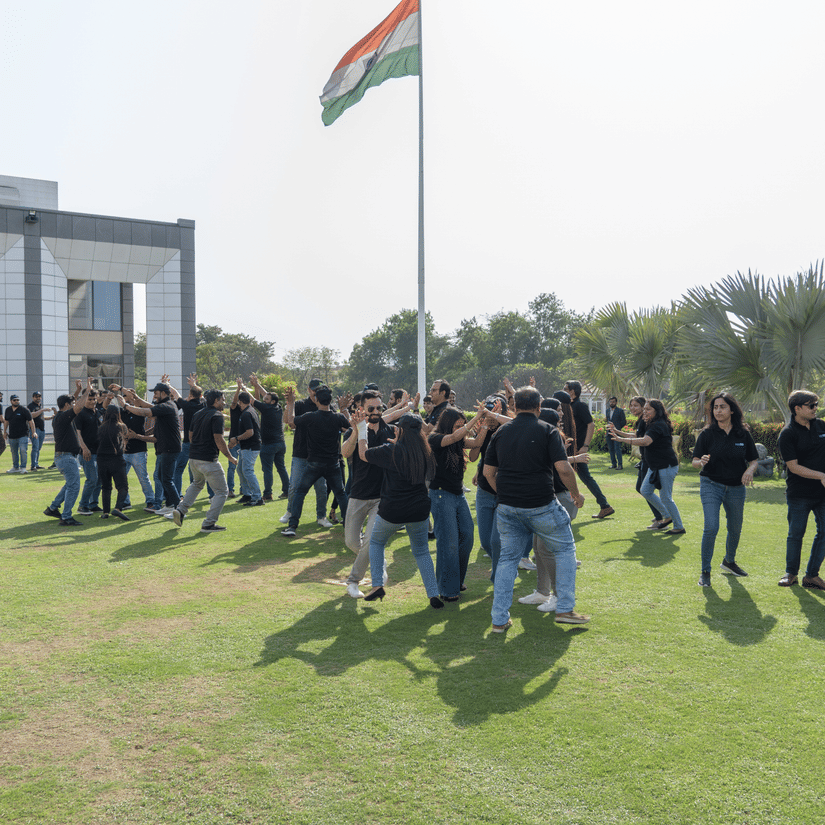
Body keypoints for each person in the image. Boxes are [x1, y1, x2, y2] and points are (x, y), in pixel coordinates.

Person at [483, 386, 589, 629]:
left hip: (508, 507)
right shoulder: (547, 430)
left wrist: (505, 493)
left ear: (516, 406)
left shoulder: (501, 432)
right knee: (565, 551)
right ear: (539, 408)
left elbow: (489, 472)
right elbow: (563, 468)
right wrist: (576, 494)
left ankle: (499, 619)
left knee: (508, 560)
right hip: (541, 504)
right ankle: (565, 608)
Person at [354, 411, 444, 609]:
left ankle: (377, 584)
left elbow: (363, 454)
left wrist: (361, 429)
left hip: (392, 509)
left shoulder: (391, 451)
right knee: (422, 552)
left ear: (399, 430)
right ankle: (433, 593)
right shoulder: (426, 451)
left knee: (377, 543)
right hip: (419, 510)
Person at [691, 392, 759, 587]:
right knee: (711, 527)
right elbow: (695, 460)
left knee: (735, 529)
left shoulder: (743, 433)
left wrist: (750, 470)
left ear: (731, 409)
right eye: (715, 407)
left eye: (722, 407)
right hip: (711, 484)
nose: (718, 410)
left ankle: (729, 561)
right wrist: (700, 461)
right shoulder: (707, 434)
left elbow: (754, 459)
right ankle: (705, 571)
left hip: (737, 488)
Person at [340, 389, 394, 598]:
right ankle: (378, 559)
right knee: (352, 542)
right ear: (360, 409)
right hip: (358, 494)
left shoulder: (390, 431)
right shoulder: (352, 431)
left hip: (381, 497)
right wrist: (356, 429)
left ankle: (353, 580)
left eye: (379, 407)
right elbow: (344, 453)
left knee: (371, 540)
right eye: (371, 408)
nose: (376, 411)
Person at [281, 385, 350, 536]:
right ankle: (349, 525)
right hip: (333, 464)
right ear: (330, 400)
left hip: (314, 464)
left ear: (317, 400)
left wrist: (291, 402)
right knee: (340, 493)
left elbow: (291, 421)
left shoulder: (310, 416)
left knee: (300, 493)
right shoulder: (337, 417)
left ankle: (292, 526)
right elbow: (350, 426)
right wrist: (344, 408)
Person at [166, 389, 238, 533]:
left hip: (194, 458)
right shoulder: (217, 416)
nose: (224, 402)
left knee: (197, 484)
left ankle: (180, 510)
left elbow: (190, 435)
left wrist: (198, 448)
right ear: (216, 401)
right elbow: (219, 439)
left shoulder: (198, 414)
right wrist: (230, 457)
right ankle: (208, 524)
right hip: (208, 460)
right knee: (222, 491)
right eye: (223, 399)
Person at [611, 399, 685, 535]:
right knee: (645, 490)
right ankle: (666, 515)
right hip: (655, 466)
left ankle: (678, 526)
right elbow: (638, 436)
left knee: (666, 497)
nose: (644, 412)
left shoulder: (659, 425)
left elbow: (646, 441)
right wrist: (618, 433)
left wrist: (622, 440)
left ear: (657, 411)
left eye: (648, 409)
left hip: (666, 465)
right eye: (644, 409)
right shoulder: (650, 424)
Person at [428, 406, 480, 601]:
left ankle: (455, 581)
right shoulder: (435, 438)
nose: (461, 428)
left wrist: (485, 426)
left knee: (467, 537)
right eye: (458, 425)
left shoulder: (459, 439)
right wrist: (475, 419)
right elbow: (453, 438)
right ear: (448, 424)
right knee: (448, 543)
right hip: (441, 496)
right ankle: (448, 589)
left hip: (458, 495)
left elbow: (477, 442)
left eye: (462, 424)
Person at [777, 390, 825, 589]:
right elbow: (793, 466)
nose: (815, 408)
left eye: (816, 404)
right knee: (796, 534)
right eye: (811, 405)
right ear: (797, 408)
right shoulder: (787, 434)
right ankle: (791, 574)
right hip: (799, 494)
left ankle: (812, 576)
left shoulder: (821, 425)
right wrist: (821, 476)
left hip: (823, 494)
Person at [121, 380, 182, 514]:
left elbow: (145, 412)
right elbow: (146, 404)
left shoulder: (167, 406)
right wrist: (127, 392)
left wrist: (126, 406)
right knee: (161, 477)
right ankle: (170, 505)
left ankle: (179, 509)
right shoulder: (163, 406)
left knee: (166, 479)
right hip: (165, 448)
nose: (154, 395)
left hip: (170, 448)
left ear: (164, 393)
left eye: (156, 393)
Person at [281, 379, 330, 527]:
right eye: (314, 389)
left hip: (320, 455)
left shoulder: (327, 405)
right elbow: (288, 421)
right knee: (294, 486)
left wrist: (319, 405)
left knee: (321, 488)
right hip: (300, 453)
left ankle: (321, 516)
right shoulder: (301, 404)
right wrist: (290, 403)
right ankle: (290, 512)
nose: (316, 392)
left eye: (319, 389)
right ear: (308, 389)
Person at [563, 380, 614, 518]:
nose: (564, 390)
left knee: (583, 477)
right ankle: (604, 505)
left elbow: (590, 425)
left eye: (565, 388)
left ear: (572, 391)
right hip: (568, 449)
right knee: (581, 477)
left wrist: (585, 446)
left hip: (577, 450)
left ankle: (604, 505)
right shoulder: (567, 406)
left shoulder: (579, 406)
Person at [42, 387, 89, 525]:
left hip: (64, 457)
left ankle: (52, 508)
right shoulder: (63, 417)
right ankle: (66, 517)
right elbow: (78, 407)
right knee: (74, 487)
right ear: (67, 406)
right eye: (72, 404)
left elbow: (73, 404)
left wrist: (78, 390)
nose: (75, 405)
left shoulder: (61, 417)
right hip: (66, 458)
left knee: (69, 485)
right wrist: (86, 391)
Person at [250, 374, 289, 501]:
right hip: (280, 444)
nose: (263, 400)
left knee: (267, 470)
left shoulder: (266, 408)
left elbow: (251, 400)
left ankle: (267, 494)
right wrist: (257, 384)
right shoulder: (277, 406)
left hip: (268, 445)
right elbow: (266, 394)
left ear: (271, 401)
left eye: (266, 399)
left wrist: (244, 388)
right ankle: (287, 491)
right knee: (281, 468)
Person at [171, 374, 206, 495]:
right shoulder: (204, 405)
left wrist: (167, 384)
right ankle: (200, 493)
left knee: (178, 469)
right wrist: (194, 385)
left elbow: (176, 394)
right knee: (199, 470)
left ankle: (177, 494)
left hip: (188, 442)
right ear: (200, 396)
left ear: (191, 395)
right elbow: (201, 395)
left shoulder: (187, 406)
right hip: (202, 442)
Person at [96, 402, 130, 521]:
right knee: (123, 487)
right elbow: (125, 438)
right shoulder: (121, 426)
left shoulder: (101, 427)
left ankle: (105, 512)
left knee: (106, 487)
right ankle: (118, 508)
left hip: (101, 460)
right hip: (116, 459)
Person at [74, 384, 103, 513]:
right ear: (85, 399)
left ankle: (93, 503)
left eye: (94, 399)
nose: (92, 402)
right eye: (89, 399)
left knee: (99, 480)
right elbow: (77, 433)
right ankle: (83, 505)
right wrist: (84, 448)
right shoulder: (80, 414)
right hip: (87, 452)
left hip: (100, 451)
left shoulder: (98, 412)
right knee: (92, 479)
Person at [4, 393, 36, 473]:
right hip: (12, 435)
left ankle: (23, 468)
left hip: (23, 435)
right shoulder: (8, 410)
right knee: (14, 452)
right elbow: (6, 422)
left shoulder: (24, 409)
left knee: (23, 450)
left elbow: (31, 421)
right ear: (11, 401)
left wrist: (34, 432)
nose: (16, 401)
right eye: (14, 400)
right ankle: (15, 467)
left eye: (18, 400)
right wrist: (4, 432)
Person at [27, 391, 51, 470]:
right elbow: (31, 415)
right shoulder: (30, 406)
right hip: (35, 430)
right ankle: (33, 466)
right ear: (33, 397)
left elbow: (42, 417)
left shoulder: (40, 406)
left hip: (41, 430)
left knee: (38, 448)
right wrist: (42, 410)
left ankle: (36, 464)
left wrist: (52, 417)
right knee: (35, 447)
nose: (38, 398)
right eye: (36, 396)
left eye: (39, 396)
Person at [605, 396, 627, 470]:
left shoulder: (620, 411)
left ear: (616, 402)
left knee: (617, 449)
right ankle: (613, 464)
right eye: (610, 402)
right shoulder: (607, 411)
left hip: (617, 433)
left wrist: (617, 428)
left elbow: (624, 422)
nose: (612, 403)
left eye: (613, 402)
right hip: (608, 433)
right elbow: (608, 420)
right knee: (611, 449)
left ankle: (620, 465)